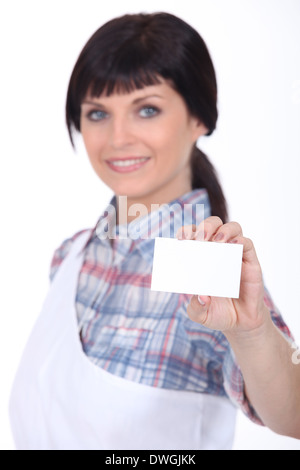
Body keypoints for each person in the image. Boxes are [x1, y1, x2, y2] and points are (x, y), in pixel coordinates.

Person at [9, 12, 300, 450]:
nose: (118, 137)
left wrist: (251, 331)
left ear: (199, 118)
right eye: (97, 113)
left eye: (147, 109)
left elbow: (294, 414)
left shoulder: (207, 270)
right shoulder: (71, 256)